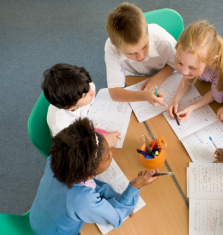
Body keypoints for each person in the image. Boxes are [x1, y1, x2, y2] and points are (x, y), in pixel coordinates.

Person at [30, 118, 159, 235]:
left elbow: (92, 187)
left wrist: (116, 198)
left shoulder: (57, 160)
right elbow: (116, 217)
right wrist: (135, 187)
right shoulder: (82, 200)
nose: (111, 154)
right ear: (89, 172)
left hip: (37, 218)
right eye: (108, 156)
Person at [167, 20, 223, 122]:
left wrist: (192, 107)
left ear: (211, 60)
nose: (185, 72)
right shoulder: (189, 56)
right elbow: (187, 78)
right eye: (180, 63)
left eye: (193, 68)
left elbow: (216, 94)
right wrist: (175, 101)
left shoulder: (221, 70)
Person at [105, 2, 177, 107]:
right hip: (133, 76)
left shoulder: (165, 41)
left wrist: (158, 78)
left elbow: (177, 63)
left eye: (144, 46)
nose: (141, 56)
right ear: (115, 45)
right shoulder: (111, 48)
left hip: (165, 73)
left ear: (147, 28)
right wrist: (143, 96)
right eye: (131, 53)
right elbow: (115, 93)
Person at [42, 63, 119, 148]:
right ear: (70, 106)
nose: (93, 92)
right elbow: (76, 152)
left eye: (89, 85)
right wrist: (104, 144)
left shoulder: (83, 87)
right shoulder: (62, 127)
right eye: (86, 95)